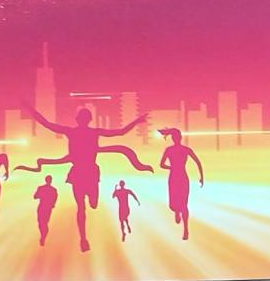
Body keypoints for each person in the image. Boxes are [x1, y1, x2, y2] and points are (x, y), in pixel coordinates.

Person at [15, 105, 152, 252]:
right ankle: (83, 239)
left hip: (85, 172)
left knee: (88, 205)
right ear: (88, 119)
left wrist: (30, 109)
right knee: (83, 206)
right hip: (82, 172)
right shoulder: (85, 132)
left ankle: (83, 238)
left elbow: (47, 124)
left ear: (79, 119)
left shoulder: (76, 132)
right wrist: (137, 121)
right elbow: (120, 132)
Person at [158, 128, 204, 241]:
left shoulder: (172, 150)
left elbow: (162, 165)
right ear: (180, 138)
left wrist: (170, 167)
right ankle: (177, 212)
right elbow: (198, 162)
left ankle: (186, 229)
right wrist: (201, 177)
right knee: (176, 204)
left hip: (177, 177)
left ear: (173, 139)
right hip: (179, 177)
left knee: (183, 204)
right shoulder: (180, 150)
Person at [33, 175, 58, 247]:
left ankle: (43, 237)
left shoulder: (52, 190)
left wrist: (52, 203)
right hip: (44, 207)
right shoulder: (48, 189)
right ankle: (43, 236)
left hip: (45, 207)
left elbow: (55, 198)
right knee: (42, 223)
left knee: (43, 223)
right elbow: (35, 196)